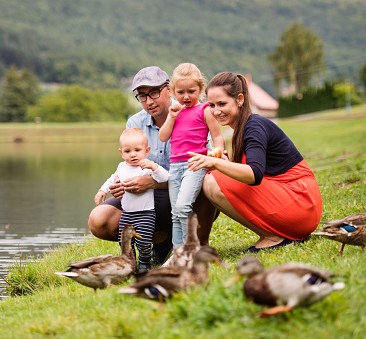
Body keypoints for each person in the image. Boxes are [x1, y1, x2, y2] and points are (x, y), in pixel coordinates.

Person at [188, 71, 322, 252]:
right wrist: (224, 163)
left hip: (301, 203)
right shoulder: (242, 128)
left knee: (211, 181)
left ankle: (273, 237)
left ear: (240, 99)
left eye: (222, 103)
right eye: (211, 105)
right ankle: (199, 245)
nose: (216, 111)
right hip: (299, 205)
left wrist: (217, 164)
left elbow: (254, 175)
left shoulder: (254, 126)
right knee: (213, 175)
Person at [88, 66, 175, 266]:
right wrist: (120, 185)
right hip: (143, 198)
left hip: (179, 192)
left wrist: (150, 182)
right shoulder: (135, 121)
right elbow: (129, 165)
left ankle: (183, 240)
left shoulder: (188, 115)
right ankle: (159, 241)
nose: (149, 101)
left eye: (154, 92)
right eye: (142, 96)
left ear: (169, 89)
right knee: (98, 220)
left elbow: (200, 171)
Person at [159, 63, 225, 250]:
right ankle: (178, 252)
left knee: (182, 207)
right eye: (181, 92)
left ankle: (190, 248)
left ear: (201, 89)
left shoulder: (204, 110)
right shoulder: (174, 112)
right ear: (172, 91)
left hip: (195, 165)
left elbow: (217, 135)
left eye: (191, 91)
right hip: (175, 166)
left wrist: (218, 152)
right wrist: (171, 117)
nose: (186, 96)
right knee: (175, 212)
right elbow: (163, 136)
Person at [95, 128, 169, 272]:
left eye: (137, 150)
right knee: (125, 241)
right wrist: (103, 190)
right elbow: (112, 178)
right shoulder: (122, 167)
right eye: (128, 151)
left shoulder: (147, 167)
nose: (133, 154)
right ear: (121, 153)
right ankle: (130, 262)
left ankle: (144, 263)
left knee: (144, 241)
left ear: (146, 151)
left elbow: (165, 178)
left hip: (145, 214)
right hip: (127, 213)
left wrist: (154, 167)